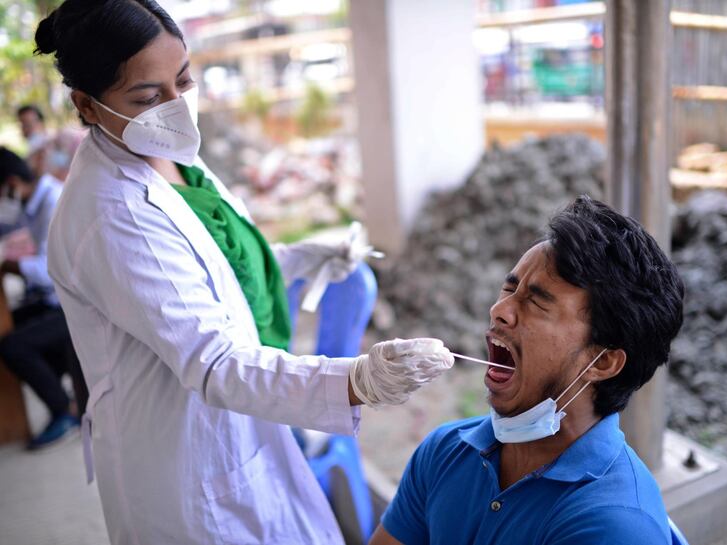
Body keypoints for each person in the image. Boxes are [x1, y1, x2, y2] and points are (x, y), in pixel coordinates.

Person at [35, 1, 454, 544]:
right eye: (147, 96)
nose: (175, 107)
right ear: (87, 107)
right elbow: (214, 363)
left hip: (244, 432)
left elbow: (215, 269)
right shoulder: (111, 216)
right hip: (187, 460)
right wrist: (356, 380)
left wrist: (296, 257)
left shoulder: (170, 153)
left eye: (183, 81)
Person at [370, 196, 685, 545]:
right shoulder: (446, 450)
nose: (500, 310)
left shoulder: (613, 526)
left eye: (535, 302)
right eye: (509, 288)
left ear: (603, 362)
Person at [0, 147, 81, 449]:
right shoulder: (33, 200)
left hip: (75, 305)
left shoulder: (53, 200)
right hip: (56, 299)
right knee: (11, 323)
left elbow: (51, 271)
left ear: (10, 183)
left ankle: (65, 410)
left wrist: (10, 265)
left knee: (13, 346)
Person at [17, 104, 83, 181]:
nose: (25, 128)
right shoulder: (33, 150)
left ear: (40, 123)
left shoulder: (51, 142)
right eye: (23, 124)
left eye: (29, 123)